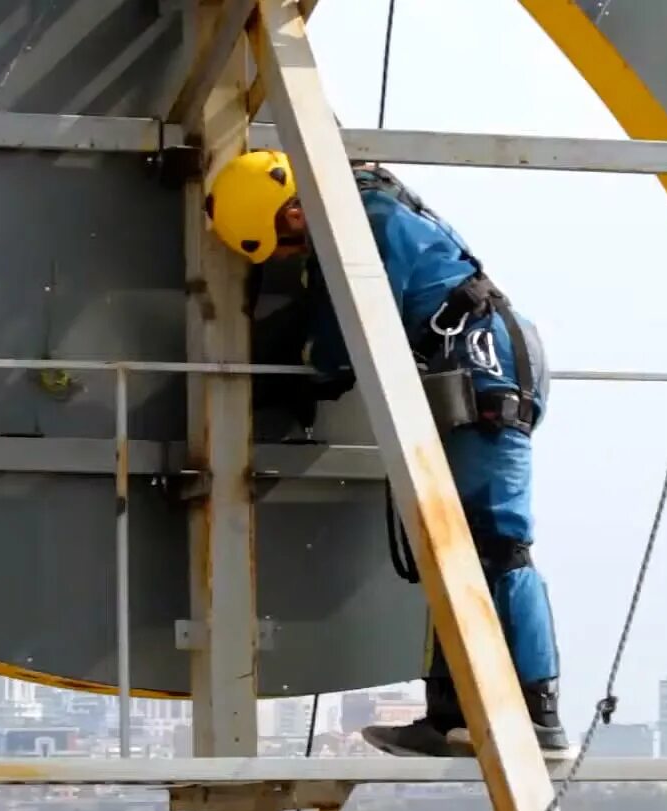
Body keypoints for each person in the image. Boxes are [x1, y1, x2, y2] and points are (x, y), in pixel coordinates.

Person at [204, 149, 570, 760]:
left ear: (293, 214)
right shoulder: (364, 212)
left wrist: (298, 371)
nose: (294, 261)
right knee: (452, 547)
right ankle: (451, 713)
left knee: (499, 543)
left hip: (486, 371)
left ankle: (540, 713)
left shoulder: (365, 221)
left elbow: (338, 344)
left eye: (285, 246)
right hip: (477, 366)